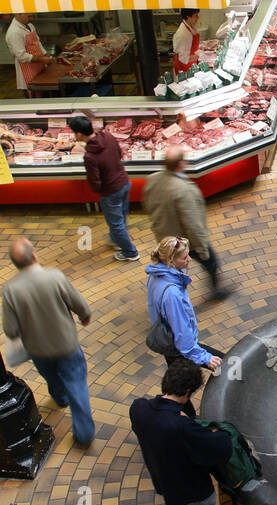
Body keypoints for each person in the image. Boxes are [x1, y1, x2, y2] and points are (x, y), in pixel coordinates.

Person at [129, 356, 233, 505]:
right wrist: (215, 433)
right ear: (188, 391)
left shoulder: (139, 409)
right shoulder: (181, 426)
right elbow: (220, 448)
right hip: (193, 489)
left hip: (165, 484)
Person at [0, 237, 96, 448]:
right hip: (66, 344)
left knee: (52, 377)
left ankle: (60, 397)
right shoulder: (54, 277)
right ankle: (84, 433)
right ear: (34, 255)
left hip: (38, 349)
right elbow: (77, 302)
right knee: (77, 383)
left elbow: (11, 329)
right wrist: (84, 315)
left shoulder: (11, 290)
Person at [142, 145, 230, 301]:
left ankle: (169, 296)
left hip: (164, 237)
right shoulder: (183, 189)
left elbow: (147, 204)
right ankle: (214, 292)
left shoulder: (153, 179)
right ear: (181, 163)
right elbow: (192, 223)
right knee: (210, 262)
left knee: (172, 268)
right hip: (183, 240)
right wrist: (202, 248)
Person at [145, 235, 225, 372]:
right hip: (179, 348)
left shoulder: (155, 275)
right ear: (171, 261)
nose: (189, 260)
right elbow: (181, 331)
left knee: (177, 386)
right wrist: (205, 358)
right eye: (184, 257)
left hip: (168, 343)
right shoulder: (172, 294)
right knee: (230, 365)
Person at [69, 114, 139, 262]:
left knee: (116, 223)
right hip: (124, 182)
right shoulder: (107, 136)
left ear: (79, 134)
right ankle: (116, 240)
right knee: (121, 216)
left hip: (110, 191)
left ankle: (130, 252)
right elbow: (119, 153)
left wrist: (98, 190)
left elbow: (95, 181)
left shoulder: (90, 156)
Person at [4, 12, 49, 93]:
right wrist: (42, 59)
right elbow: (21, 56)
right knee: (34, 97)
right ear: (19, 14)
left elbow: (38, 42)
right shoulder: (14, 32)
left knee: (44, 92)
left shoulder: (30, 25)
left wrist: (46, 55)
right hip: (27, 70)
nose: (31, 18)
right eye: (29, 16)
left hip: (39, 67)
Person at [172, 8, 201, 79]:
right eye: (195, 15)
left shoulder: (190, 26)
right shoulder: (183, 34)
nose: (198, 17)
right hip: (183, 69)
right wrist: (201, 55)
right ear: (188, 17)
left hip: (191, 64)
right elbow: (184, 59)